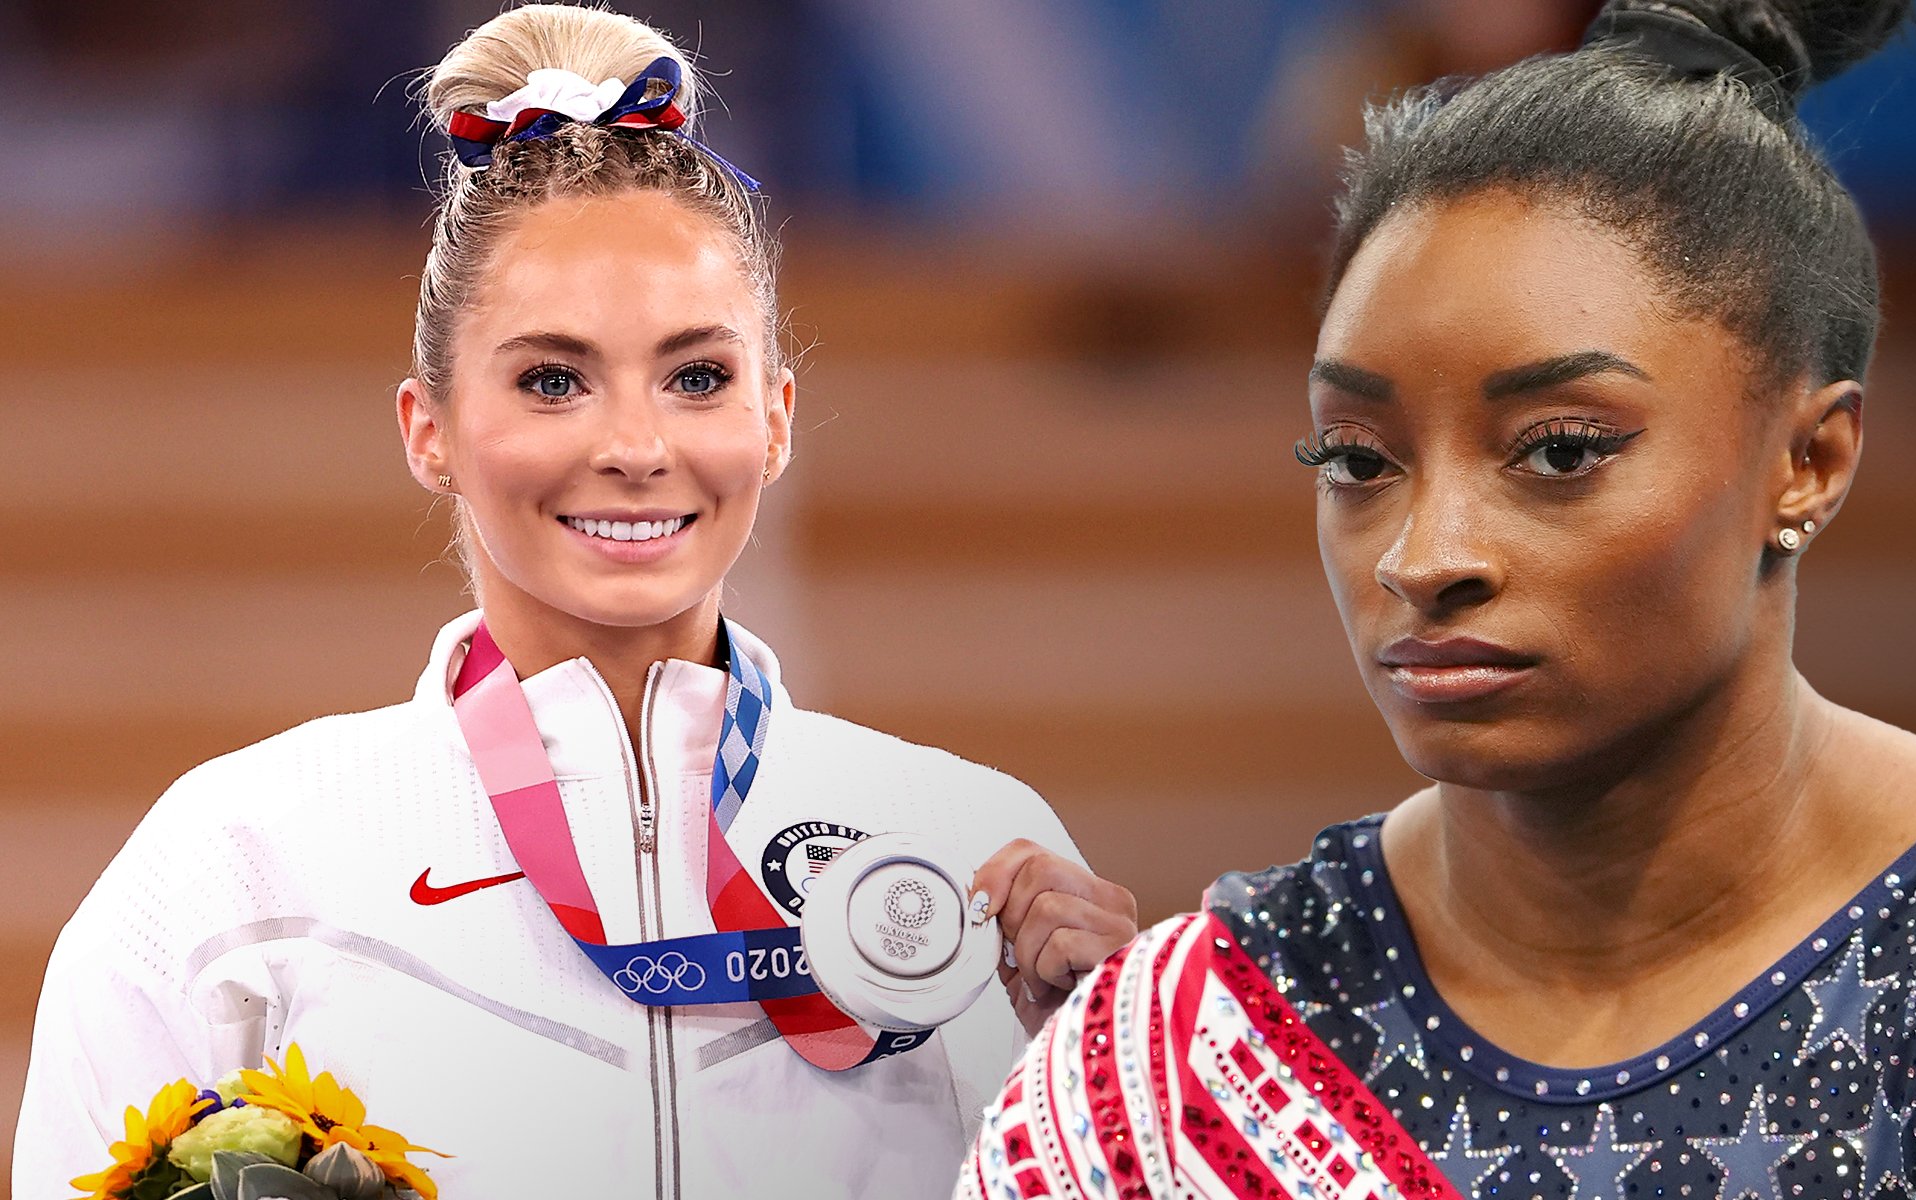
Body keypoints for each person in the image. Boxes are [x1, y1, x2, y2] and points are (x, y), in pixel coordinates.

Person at [961, 3, 1916, 1198]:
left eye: (1562, 449)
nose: (1426, 555)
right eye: (1358, 460)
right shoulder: (1221, 1027)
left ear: (1805, 460)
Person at [15, 6, 1137, 1198]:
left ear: (776, 419)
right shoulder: (233, 870)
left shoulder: (966, 852)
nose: (637, 445)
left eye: (697, 376)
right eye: (554, 380)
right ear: (429, 429)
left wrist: (1122, 1074)